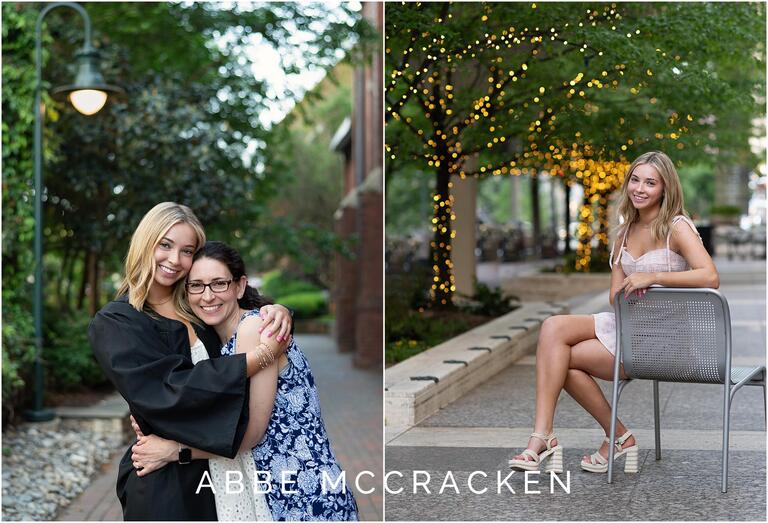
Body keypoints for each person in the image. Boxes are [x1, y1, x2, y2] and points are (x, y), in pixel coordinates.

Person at [508, 151, 719, 474]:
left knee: (559, 359)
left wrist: (654, 276)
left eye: (650, 182)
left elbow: (709, 276)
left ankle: (614, 437)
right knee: (553, 330)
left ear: (665, 188)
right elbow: (613, 295)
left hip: (665, 341)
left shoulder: (676, 227)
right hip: (629, 327)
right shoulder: (623, 232)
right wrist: (625, 284)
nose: (639, 188)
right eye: (635, 180)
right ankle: (544, 435)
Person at [89, 202, 293, 520]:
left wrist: (279, 311)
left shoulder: (198, 306)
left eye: (187, 250)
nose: (175, 260)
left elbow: (247, 312)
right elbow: (173, 389)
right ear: (146, 242)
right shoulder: (118, 321)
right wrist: (263, 356)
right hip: (166, 481)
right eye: (165, 245)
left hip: (227, 472)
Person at [129, 241, 359, 521]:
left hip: (302, 495)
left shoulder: (253, 328)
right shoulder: (221, 339)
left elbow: (252, 433)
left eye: (219, 284)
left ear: (239, 286)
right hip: (276, 490)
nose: (208, 296)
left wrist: (174, 452)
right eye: (197, 285)